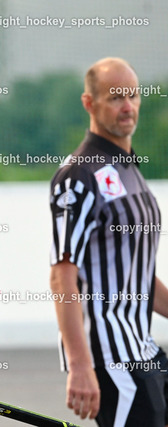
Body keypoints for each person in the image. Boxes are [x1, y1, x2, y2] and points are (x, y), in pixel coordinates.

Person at [49, 57, 168, 426]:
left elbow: (136, 273)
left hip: (144, 350)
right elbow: (62, 277)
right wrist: (79, 366)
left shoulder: (128, 167)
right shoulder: (78, 175)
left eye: (133, 96)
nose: (127, 106)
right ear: (90, 103)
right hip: (111, 359)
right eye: (116, 98)